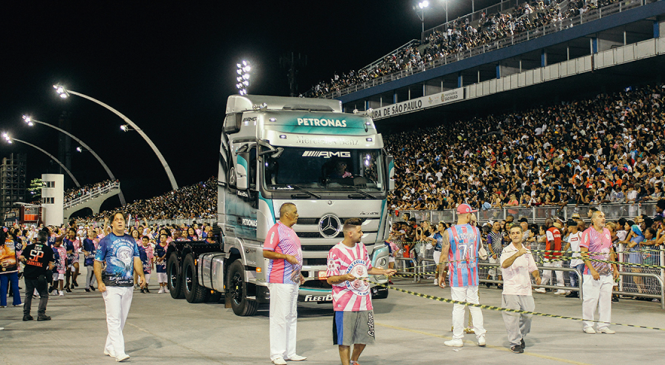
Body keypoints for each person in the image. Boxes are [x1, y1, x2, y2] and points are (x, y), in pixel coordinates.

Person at [326, 218, 396, 365]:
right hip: (344, 303)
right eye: (359, 231)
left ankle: (354, 360)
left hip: (365, 301)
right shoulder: (335, 252)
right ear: (350, 233)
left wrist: (383, 271)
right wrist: (344, 277)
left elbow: (368, 269)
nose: (362, 234)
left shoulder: (362, 248)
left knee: (365, 337)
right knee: (344, 339)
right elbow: (330, 279)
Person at [94, 212, 146, 362]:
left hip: (128, 284)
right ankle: (119, 351)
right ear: (111, 224)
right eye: (116, 220)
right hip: (111, 285)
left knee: (121, 319)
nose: (119, 222)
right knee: (114, 319)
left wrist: (141, 275)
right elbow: (97, 262)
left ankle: (109, 346)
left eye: (121, 219)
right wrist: (99, 282)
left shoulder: (131, 240)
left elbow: (136, 259)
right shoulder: (105, 241)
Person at [262, 203, 306, 365]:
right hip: (280, 279)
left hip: (292, 279)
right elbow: (266, 251)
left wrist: (298, 273)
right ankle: (277, 354)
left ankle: (289, 351)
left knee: (291, 315)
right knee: (279, 316)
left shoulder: (291, 231)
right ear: (286, 214)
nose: (297, 215)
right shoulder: (276, 230)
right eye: (295, 212)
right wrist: (285, 257)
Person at [438, 204, 486, 348]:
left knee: (459, 307)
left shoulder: (449, 232)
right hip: (472, 274)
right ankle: (480, 336)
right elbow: (477, 249)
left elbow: (444, 256)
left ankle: (458, 338)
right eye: (471, 213)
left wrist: (441, 274)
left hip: (457, 274)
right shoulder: (476, 230)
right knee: (475, 305)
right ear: (467, 215)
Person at [500, 225, 541, 354]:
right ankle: (515, 342)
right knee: (512, 318)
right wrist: (517, 254)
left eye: (518, 232)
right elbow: (504, 264)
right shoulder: (506, 250)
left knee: (528, 315)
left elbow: (532, 267)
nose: (516, 235)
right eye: (513, 233)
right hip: (511, 289)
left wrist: (537, 276)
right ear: (510, 235)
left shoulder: (526, 251)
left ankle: (521, 336)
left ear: (522, 234)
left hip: (525, 290)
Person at [580, 210, 619, 334]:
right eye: (600, 216)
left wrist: (615, 267)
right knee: (590, 299)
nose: (603, 219)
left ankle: (603, 325)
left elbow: (611, 250)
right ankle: (587, 324)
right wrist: (592, 269)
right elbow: (583, 253)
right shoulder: (587, 233)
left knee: (606, 299)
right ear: (593, 220)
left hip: (607, 272)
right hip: (592, 273)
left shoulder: (607, 232)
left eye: (604, 216)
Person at [19, 229, 54, 321]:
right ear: (46, 239)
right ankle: (41, 314)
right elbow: (51, 265)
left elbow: (21, 257)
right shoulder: (48, 249)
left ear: (37, 238)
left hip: (28, 274)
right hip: (40, 276)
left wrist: (28, 262)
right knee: (44, 295)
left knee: (28, 294)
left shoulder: (29, 247)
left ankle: (26, 314)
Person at [536, 219, 566, 295]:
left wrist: (550, 255)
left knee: (546, 272)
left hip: (550, 255)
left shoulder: (549, 231)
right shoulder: (557, 230)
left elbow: (552, 242)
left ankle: (542, 287)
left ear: (548, 223)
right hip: (558, 254)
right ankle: (561, 288)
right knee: (559, 272)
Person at [0, 229, 21, 308]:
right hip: (12, 266)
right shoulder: (12, 242)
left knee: (3, 285)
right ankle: (17, 301)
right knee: (15, 284)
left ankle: (3, 303)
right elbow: (20, 247)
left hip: (2, 267)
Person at [564, 220, 584, 298]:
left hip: (580, 259)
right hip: (573, 258)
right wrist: (562, 252)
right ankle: (574, 291)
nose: (567, 228)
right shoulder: (571, 236)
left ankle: (582, 291)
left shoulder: (580, 234)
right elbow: (568, 245)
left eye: (568, 227)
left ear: (571, 227)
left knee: (580, 275)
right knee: (572, 275)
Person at [487, 221, 504, 288]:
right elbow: (489, 245)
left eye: (498, 225)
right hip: (493, 254)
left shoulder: (501, 234)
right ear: (493, 226)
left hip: (500, 253)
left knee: (500, 269)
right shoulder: (490, 235)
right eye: (496, 225)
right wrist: (492, 253)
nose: (498, 226)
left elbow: (502, 244)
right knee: (493, 268)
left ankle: (499, 283)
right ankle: (488, 280)